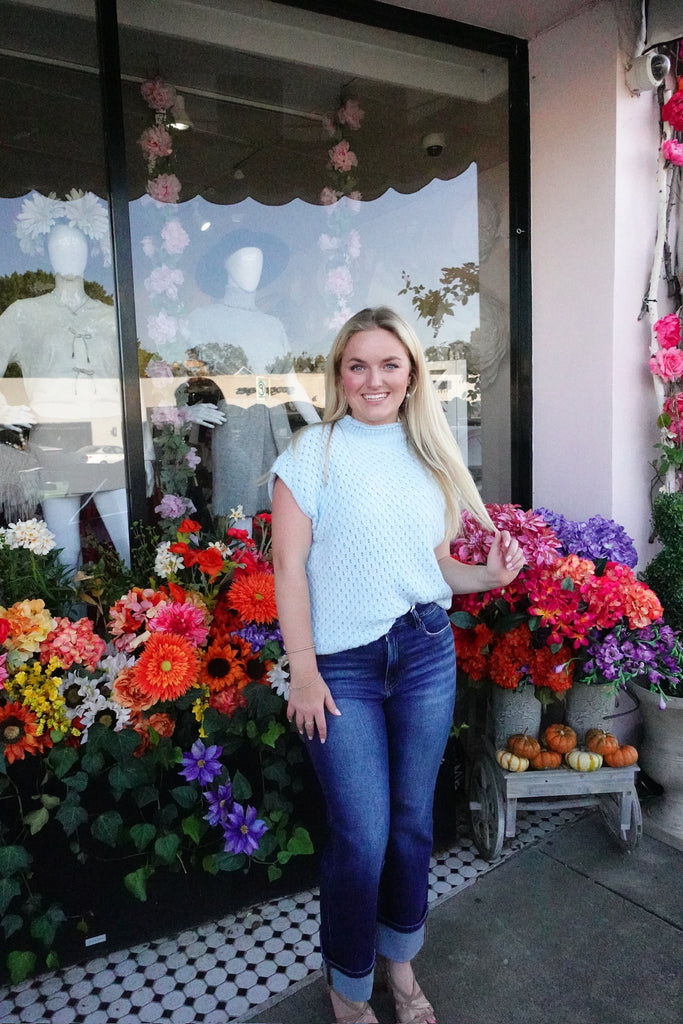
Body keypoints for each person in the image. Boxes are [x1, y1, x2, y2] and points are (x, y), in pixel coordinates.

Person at [269, 306, 524, 1024]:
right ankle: (349, 987)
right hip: (340, 666)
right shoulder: (310, 454)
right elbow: (288, 569)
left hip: (421, 652)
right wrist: (304, 669)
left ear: (411, 374)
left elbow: (436, 566)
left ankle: (400, 966)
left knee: (413, 822)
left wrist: (490, 579)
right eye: (357, 365)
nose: (372, 379)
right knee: (362, 835)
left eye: (388, 364)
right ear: (339, 375)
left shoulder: (431, 457)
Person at [0, 221, 133, 570]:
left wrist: (144, 450)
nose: (68, 253)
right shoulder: (23, 313)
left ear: (90, 254)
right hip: (53, 442)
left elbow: (133, 386)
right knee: (65, 556)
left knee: (130, 546)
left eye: (77, 245)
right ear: (46, 252)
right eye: (59, 245)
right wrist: (3, 405)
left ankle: (147, 621)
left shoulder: (111, 317)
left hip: (110, 437)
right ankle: (68, 625)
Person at [187, 236, 318, 529]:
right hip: (234, 420)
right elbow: (175, 378)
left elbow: (290, 382)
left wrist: (318, 426)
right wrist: (186, 412)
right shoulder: (203, 318)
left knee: (284, 503)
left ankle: (274, 571)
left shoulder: (273, 325)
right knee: (239, 507)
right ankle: (242, 571)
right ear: (226, 266)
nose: (252, 270)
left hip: (276, 420)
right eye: (244, 262)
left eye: (257, 264)